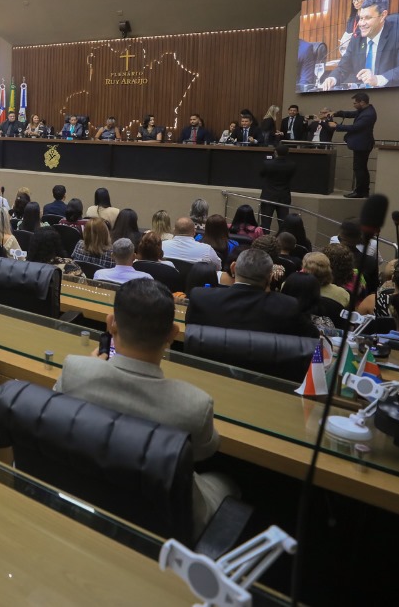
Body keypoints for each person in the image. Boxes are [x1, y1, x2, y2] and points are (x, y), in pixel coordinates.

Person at [54, 278, 237, 539]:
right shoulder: (195, 405)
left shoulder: (75, 371)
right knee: (229, 481)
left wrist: (93, 366)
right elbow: (206, 450)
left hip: (86, 496)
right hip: (168, 522)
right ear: (172, 334)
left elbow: (56, 408)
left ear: (111, 324)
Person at [186, 249, 316, 337]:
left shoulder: (201, 297)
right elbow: (313, 339)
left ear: (233, 268)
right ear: (270, 277)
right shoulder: (289, 306)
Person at [325, 0, 399, 89]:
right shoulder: (357, 38)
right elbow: (343, 67)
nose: (361, 24)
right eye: (361, 18)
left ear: (382, 16)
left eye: (367, 18)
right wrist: (332, 78)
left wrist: (378, 80)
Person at [325, 91, 376, 197]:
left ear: (362, 102)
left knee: (359, 169)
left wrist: (336, 126)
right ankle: (364, 191)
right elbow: (350, 114)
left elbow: (355, 127)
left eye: (355, 103)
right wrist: (336, 113)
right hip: (362, 144)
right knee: (362, 168)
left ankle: (359, 192)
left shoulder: (368, 114)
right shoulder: (365, 110)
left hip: (362, 145)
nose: (353, 105)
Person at [258, 144, 296, 231]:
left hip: (268, 196)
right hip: (284, 196)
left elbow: (261, 174)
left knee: (265, 223)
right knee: (283, 224)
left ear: (275, 152)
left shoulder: (267, 164)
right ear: (287, 153)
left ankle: (265, 239)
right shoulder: (292, 165)